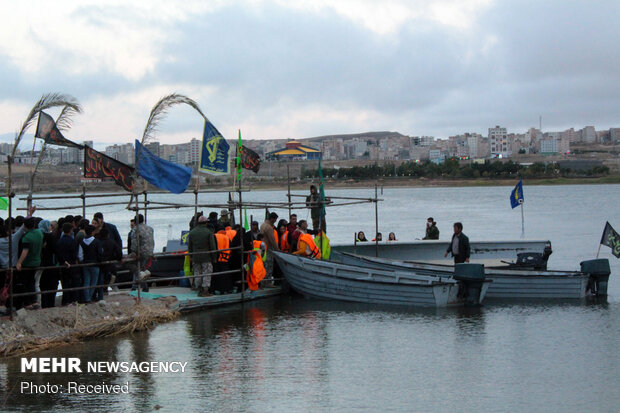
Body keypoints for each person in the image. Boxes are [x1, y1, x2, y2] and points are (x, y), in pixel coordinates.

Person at [15, 217, 44, 309]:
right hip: (37, 261)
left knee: (25, 283)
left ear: (25, 226)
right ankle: (34, 301)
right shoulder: (39, 233)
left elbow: (25, 251)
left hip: (27, 262)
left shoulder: (26, 237)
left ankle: (28, 303)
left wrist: (19, 262)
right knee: (32, 281)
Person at [187, 215, 217, 297]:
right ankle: (205, 291)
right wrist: (214, 257)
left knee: (197, 273)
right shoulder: (208, 232)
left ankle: (199, 289)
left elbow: (189, 246)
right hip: (206, 256)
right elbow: (212, 246)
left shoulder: (192, 232)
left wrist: (191, 256)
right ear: (206, 223)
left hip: (195, 257)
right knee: (206, 273)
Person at [129, 214, 154, 292]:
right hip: (149, 251)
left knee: (132, 265)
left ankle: (134, 286)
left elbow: (134, 242)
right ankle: (144, 286)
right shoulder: (150, 228)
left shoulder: (136, 229)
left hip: (141, 252)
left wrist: (133, 252)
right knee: (142, 268)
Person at [56, 222, 79, 305]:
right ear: (70, 230)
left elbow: (58, 253)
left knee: (65, 283)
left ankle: (65, 300)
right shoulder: (72, 241)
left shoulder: (60, 241)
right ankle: (73, 300)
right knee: (73, 282)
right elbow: (74, 253)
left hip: (63, 264)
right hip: (71, 263)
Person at [78, 225, 103, 303]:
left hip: (85, 264)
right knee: (94, 283)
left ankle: (86, 298)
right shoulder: (97, 242)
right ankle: (89, 297)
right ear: (93, 232)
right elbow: (100, 253)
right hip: (95, 264)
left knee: (86, 282)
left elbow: (80, 255)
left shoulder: (82, 242)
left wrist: (82, 261)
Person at [38, 219, 58, 308]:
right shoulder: (51, 237)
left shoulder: (40, 236)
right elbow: (55, 250)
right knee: (51, 286)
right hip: (50, 264)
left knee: (43, 286)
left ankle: (43, 304)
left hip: (42, 263)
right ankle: (51, 304)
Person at [99, 227, 122, 295]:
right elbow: (119, 252)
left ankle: (102, 292)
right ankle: (110, 288)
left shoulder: (98, 242)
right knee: (112, 277)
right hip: (110, 262)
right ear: (108, 234)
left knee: (101, 279)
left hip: (101, 264)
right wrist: (118, 258)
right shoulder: (112, 242)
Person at [260, 212, 280, 283]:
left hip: (262, 248)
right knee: (269, 266)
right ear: (272, 219)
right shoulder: (269, 228)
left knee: (263, 265)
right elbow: (272, 240)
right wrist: (278, 250)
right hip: (268, 249)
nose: (275, 221)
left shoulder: (262, 225)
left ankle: (263, 281)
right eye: (275, 220)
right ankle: (267, 282)